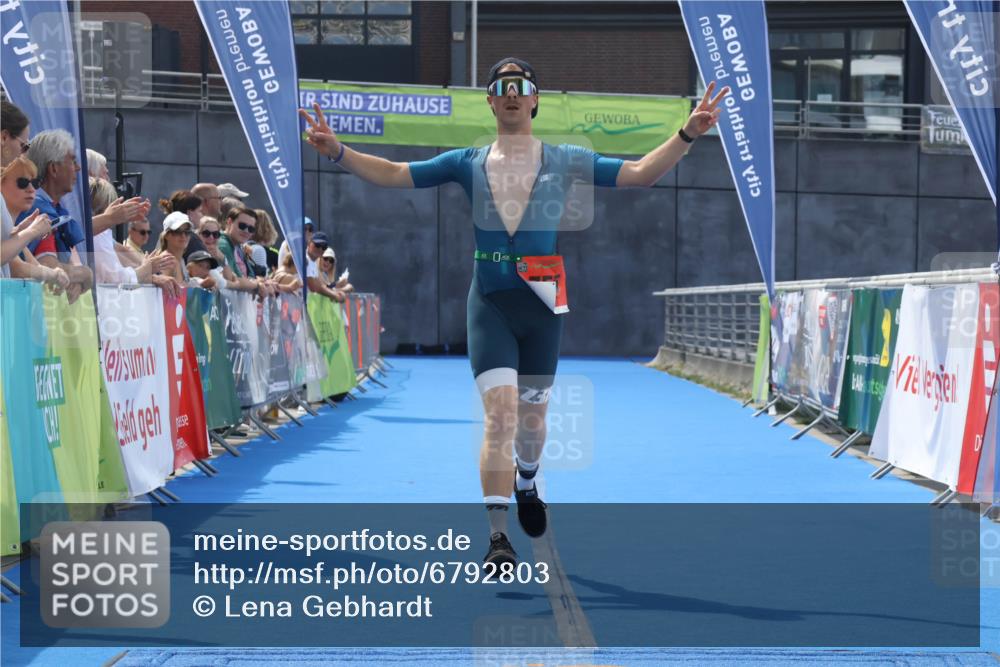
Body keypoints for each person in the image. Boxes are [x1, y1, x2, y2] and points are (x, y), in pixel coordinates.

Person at [301, 56, 728, 567]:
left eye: (519, 86)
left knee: (532, 422)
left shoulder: (566, 158)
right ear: (489, 101)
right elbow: (395, 172)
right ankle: (498, 537)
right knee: (499, 418)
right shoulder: (467, 161)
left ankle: (528, 477)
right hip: (490, 300)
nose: (510, 93)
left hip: (543, 300)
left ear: (534, 100)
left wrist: (687, 132)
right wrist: (338, 151)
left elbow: (638, 174)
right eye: (500, 86)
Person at [21, 130, 93, 300]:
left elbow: (61, 268)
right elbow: (49, 265)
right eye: (72, 161)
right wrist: (86, 274)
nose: (78, 168)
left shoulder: (53, 208)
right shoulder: (38, 208)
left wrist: (74, 279)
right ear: (53, 168)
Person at [90, 177, 176, 291]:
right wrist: (148, 268)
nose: (146, 236)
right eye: (142, 232)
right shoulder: (97, 236)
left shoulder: (102, 233)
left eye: (148, 232)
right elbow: (117, 281)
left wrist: (149, 271)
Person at [1, 156, 70, 291]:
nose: (31, 189)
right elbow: (18, 269)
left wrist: (56, 275)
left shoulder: (11, 228)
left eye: (35, 183)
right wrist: (32, 232)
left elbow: (34, 266)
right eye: (22, 182)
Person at [217, 207, 275, 296]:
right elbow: (234, 278)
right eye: (242, 226)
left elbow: (250, 276)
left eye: (251, 229)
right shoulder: (223, 244)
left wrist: (260, 283)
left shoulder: (239, 246)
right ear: (229, 222)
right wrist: (257, 285)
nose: (246, 231)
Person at [195, 216, 239, 289]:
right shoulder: (194, 256)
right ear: (197, 235)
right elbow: (223, 283)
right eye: (206, 233)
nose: (211, 237)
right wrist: (236, 285)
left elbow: (230, 278)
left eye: (215, 234)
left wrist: (223, 258)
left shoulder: (218, 256)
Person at [153, 211, 193, 284]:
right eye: (177, 232)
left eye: (187, 232)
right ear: (166, 235)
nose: (183, 236)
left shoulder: (180, 259)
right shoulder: (167, 260)